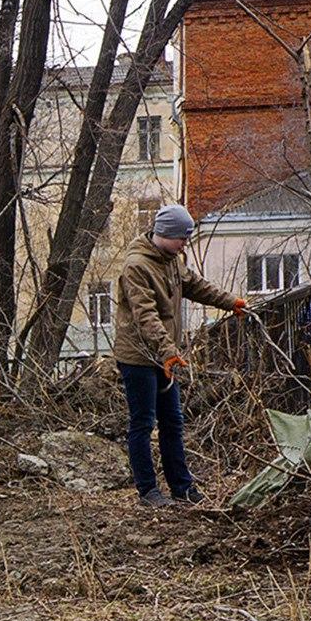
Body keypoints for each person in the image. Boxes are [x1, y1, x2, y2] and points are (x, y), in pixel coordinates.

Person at [113, 204, 247, 507]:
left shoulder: (172, 259)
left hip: (164, 356)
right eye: (182, 238)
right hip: (138, 356)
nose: (185, 243)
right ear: (166, 234)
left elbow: (195, 285)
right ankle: (148, 491)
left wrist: (231, 302)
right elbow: (145, 316)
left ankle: (182, 488)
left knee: (173, 421)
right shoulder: (137, 266)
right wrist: (169, 351)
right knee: (143, 423)